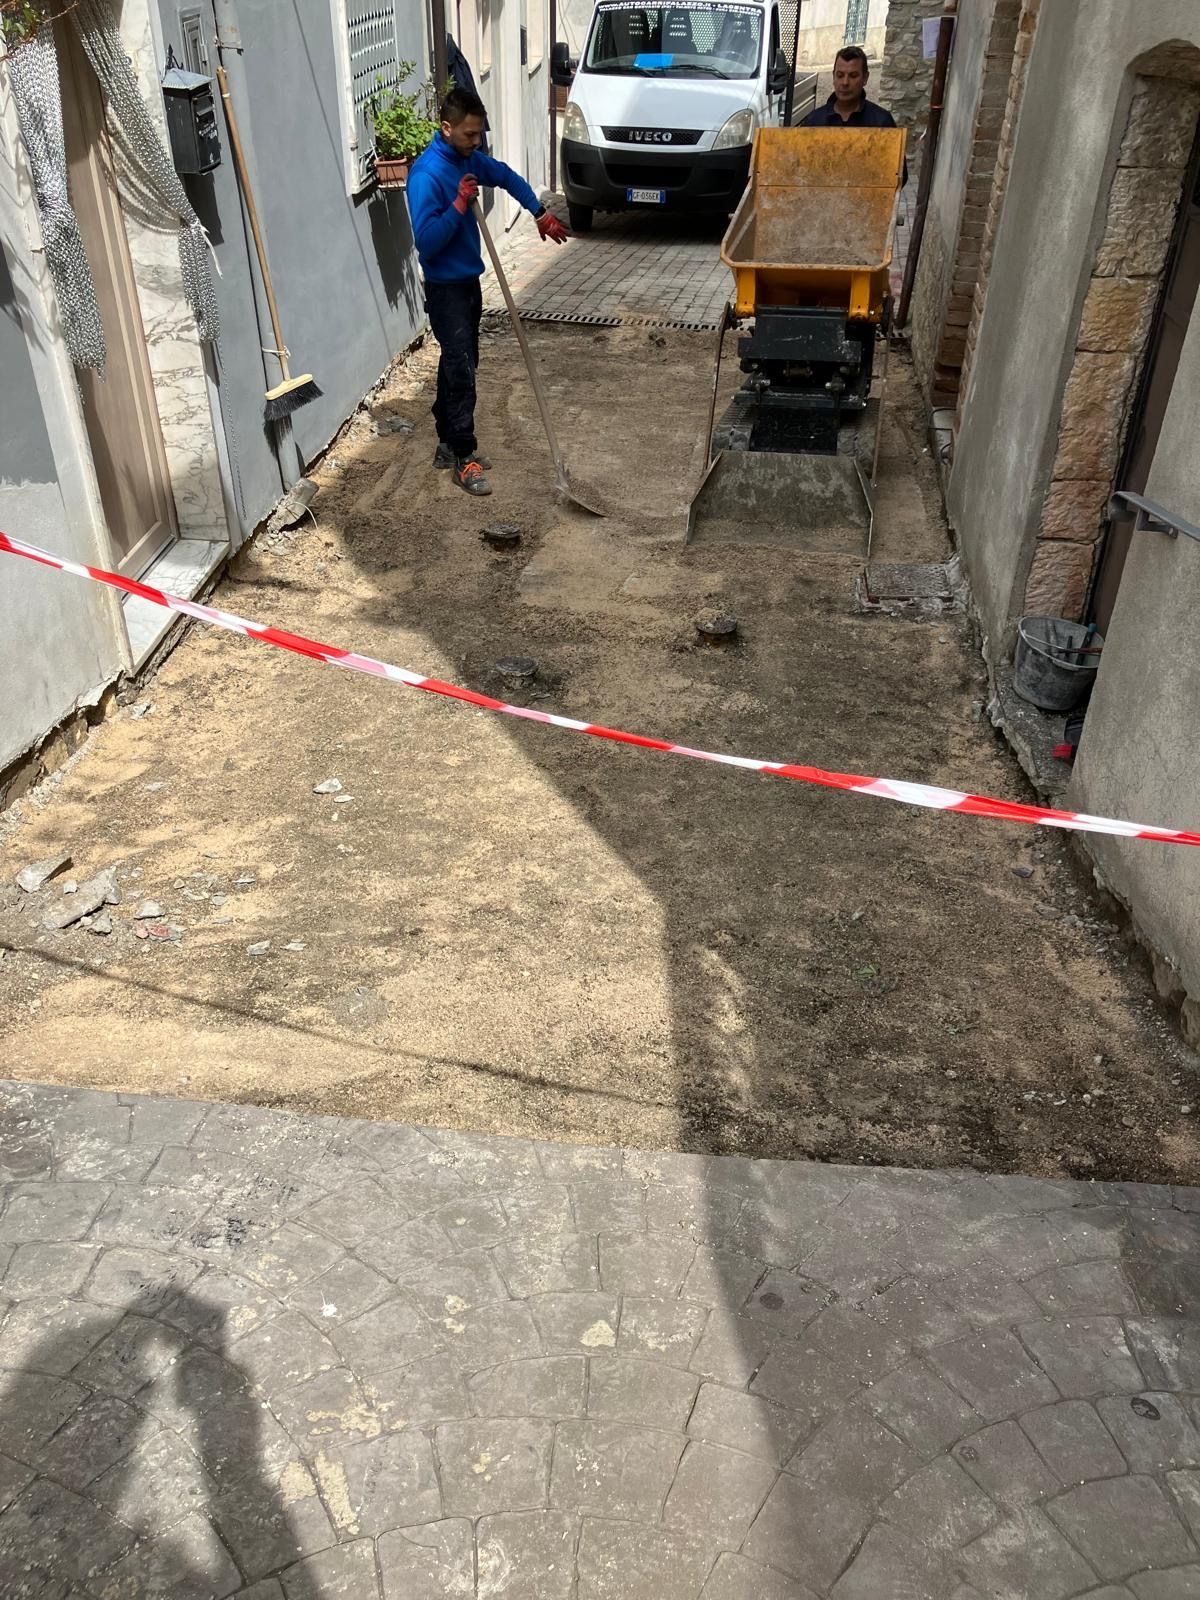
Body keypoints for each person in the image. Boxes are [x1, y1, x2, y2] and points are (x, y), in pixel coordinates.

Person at [407, 88, 569, 496]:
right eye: (469, 134)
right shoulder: (426, 175)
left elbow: (506, 176)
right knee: (461, 368)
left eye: (479, 133)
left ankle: (447, 440)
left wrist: (539, 212)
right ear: (446, 128)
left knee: (460, 361)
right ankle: (465, 456)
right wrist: (459, 204)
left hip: (468, 283)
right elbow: (427, 243)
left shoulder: (469, 160)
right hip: (444, 288)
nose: (476, 141)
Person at [802, 44, 899, 129]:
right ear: (833, 77)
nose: (845, 82)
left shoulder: (881, 122)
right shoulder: (814, 122)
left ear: (865, 78)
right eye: (840, 75)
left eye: (853, 76)